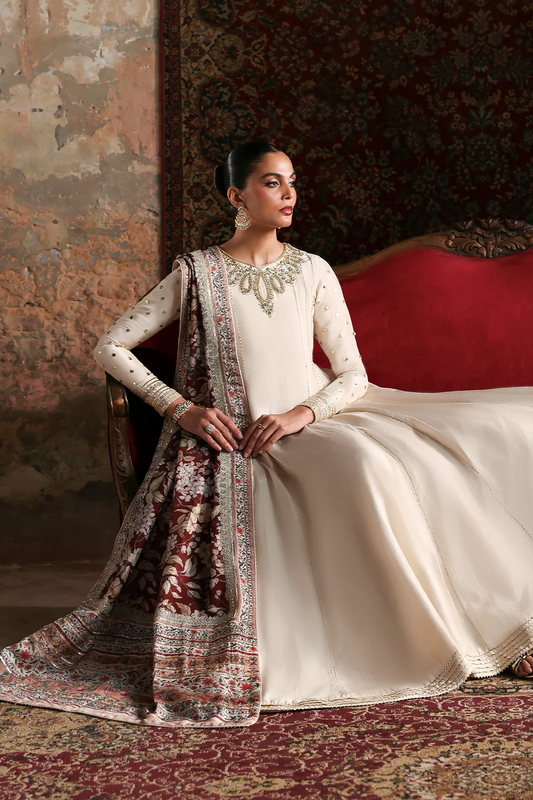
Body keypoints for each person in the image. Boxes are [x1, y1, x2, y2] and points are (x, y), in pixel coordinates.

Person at [1, 142, 533, 729]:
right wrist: (182, 410)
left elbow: (353, 376)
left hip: (312, 418)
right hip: (233, 434)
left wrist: (301, 414)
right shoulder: (196, 273)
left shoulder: (312, 271)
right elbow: (111, 347)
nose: (289, 195)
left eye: (292, 182)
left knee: (420, 452)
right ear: (237, 195)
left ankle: (489, 627)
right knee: (366, 466)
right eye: (273, 183)